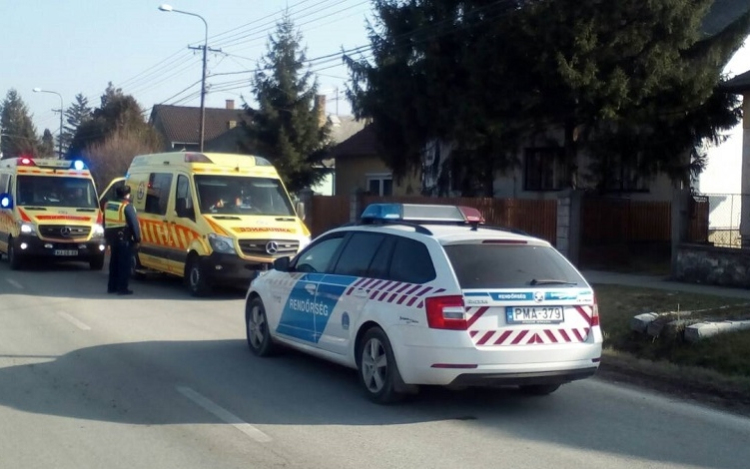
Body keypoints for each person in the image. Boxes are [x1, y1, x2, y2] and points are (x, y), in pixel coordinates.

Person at [104, 185, 141, 295]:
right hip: (124, 239)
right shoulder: (127, 206)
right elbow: (134, 223)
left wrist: (107, 239)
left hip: (112, 238)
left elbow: (104, 222)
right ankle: (122, 288)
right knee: (124, 264)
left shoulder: (109, 205)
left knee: (114, 263)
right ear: (127, 194)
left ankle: (112, 287)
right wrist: (137, 239)